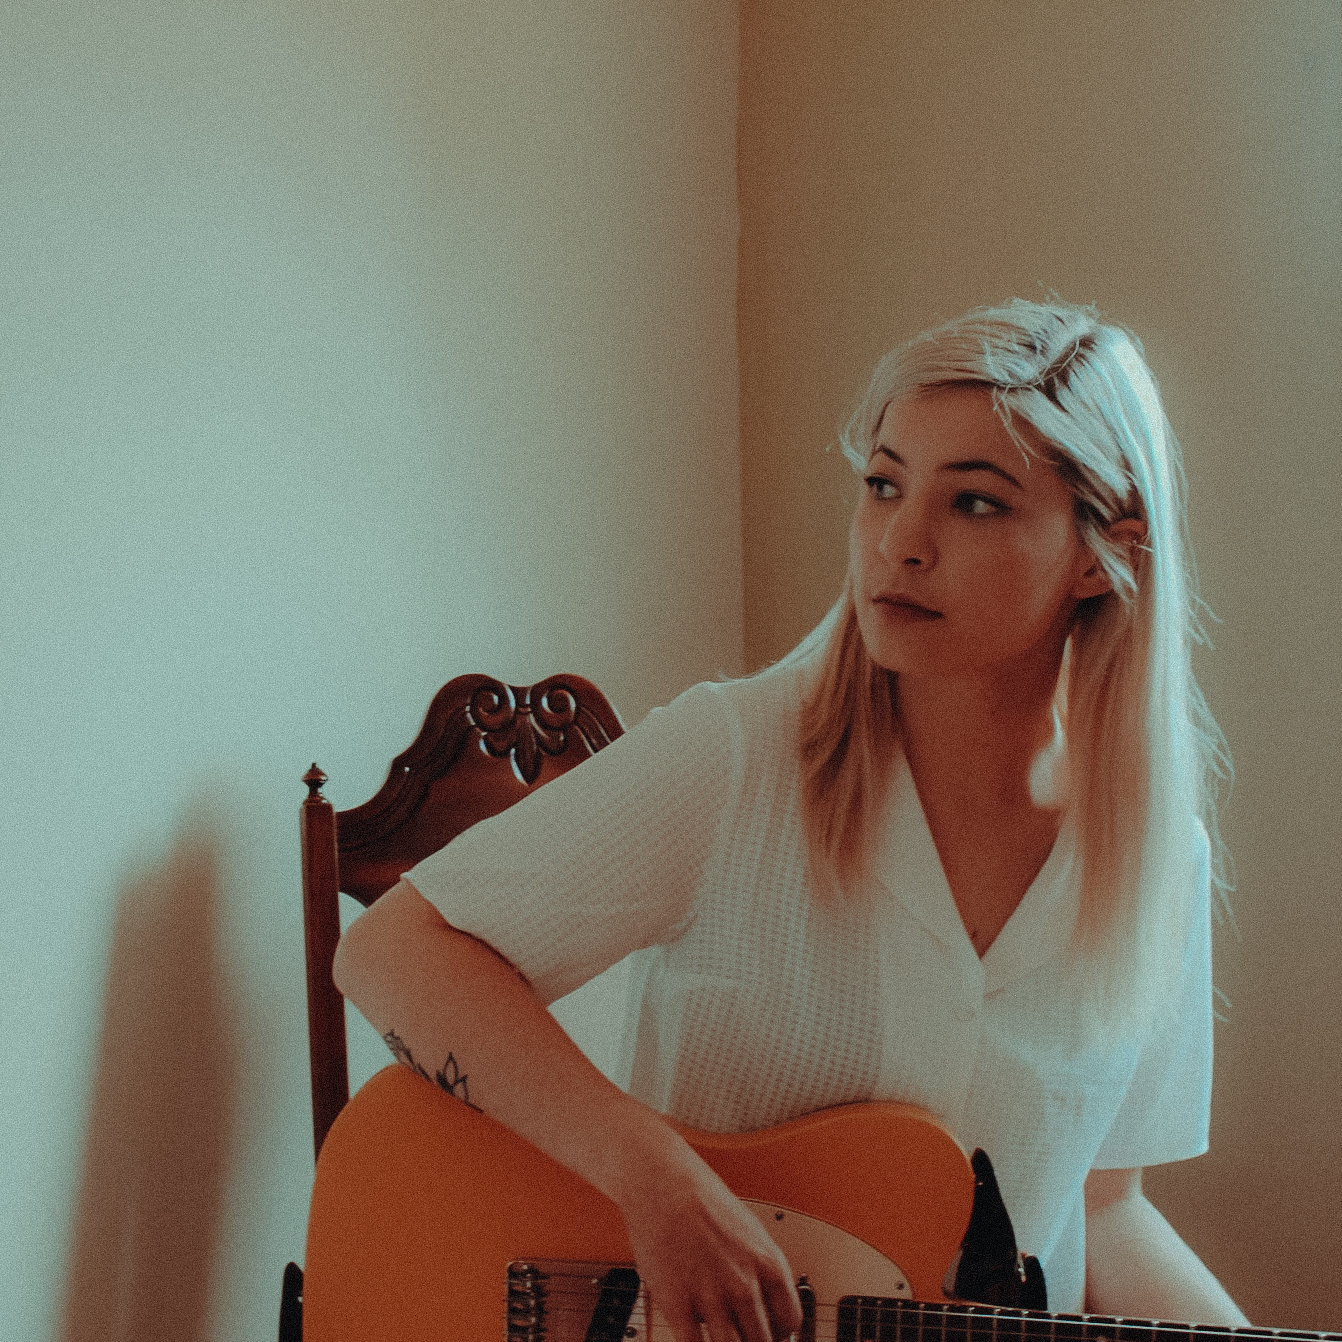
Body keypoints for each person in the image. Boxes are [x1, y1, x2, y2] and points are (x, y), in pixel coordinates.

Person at [334, 298, 1248, 1342]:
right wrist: (653, 1175)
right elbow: (394, 952)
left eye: (975, 503)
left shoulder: (1154, 858)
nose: (900, 542)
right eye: (883, 484)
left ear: (1102, 554)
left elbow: (1104, 1208)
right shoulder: (738, 756)